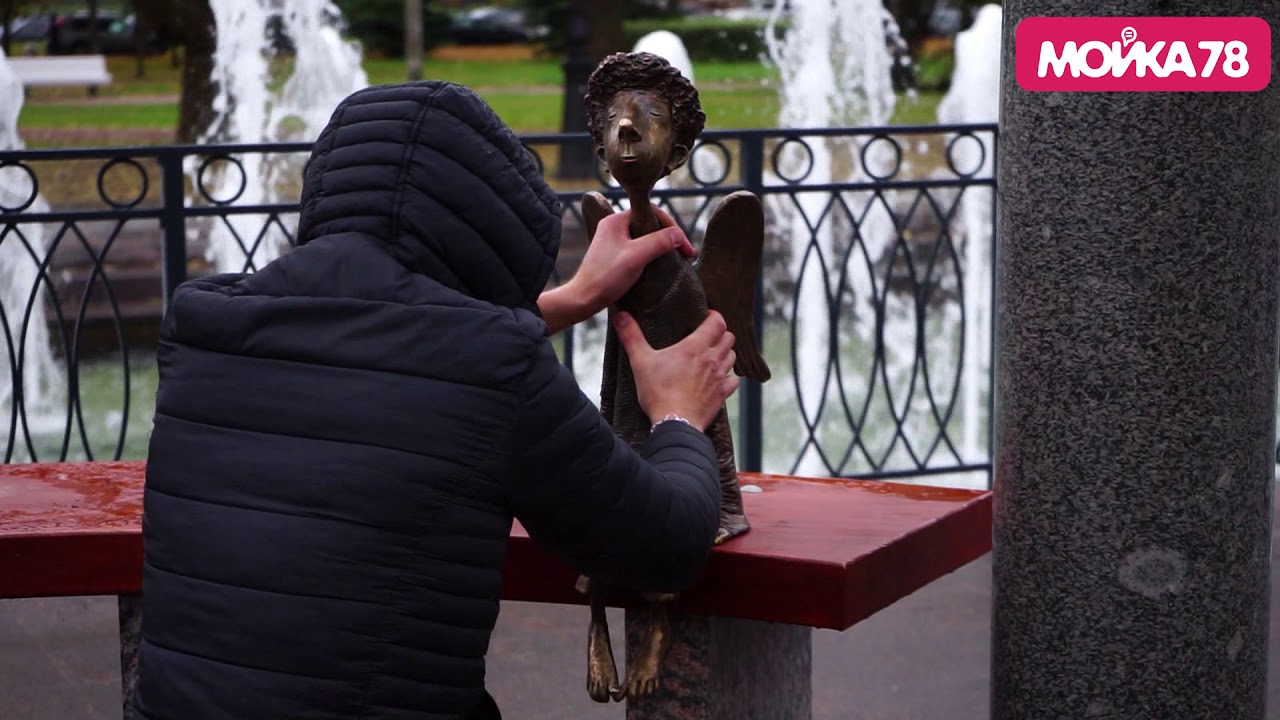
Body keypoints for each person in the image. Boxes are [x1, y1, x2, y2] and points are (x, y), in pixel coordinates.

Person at [130, 81, 739, 720]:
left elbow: (389, 342)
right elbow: (660, 544)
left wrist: (573, 296)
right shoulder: (493, 364)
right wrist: (677, 412)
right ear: (487, 220)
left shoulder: (203, 326)